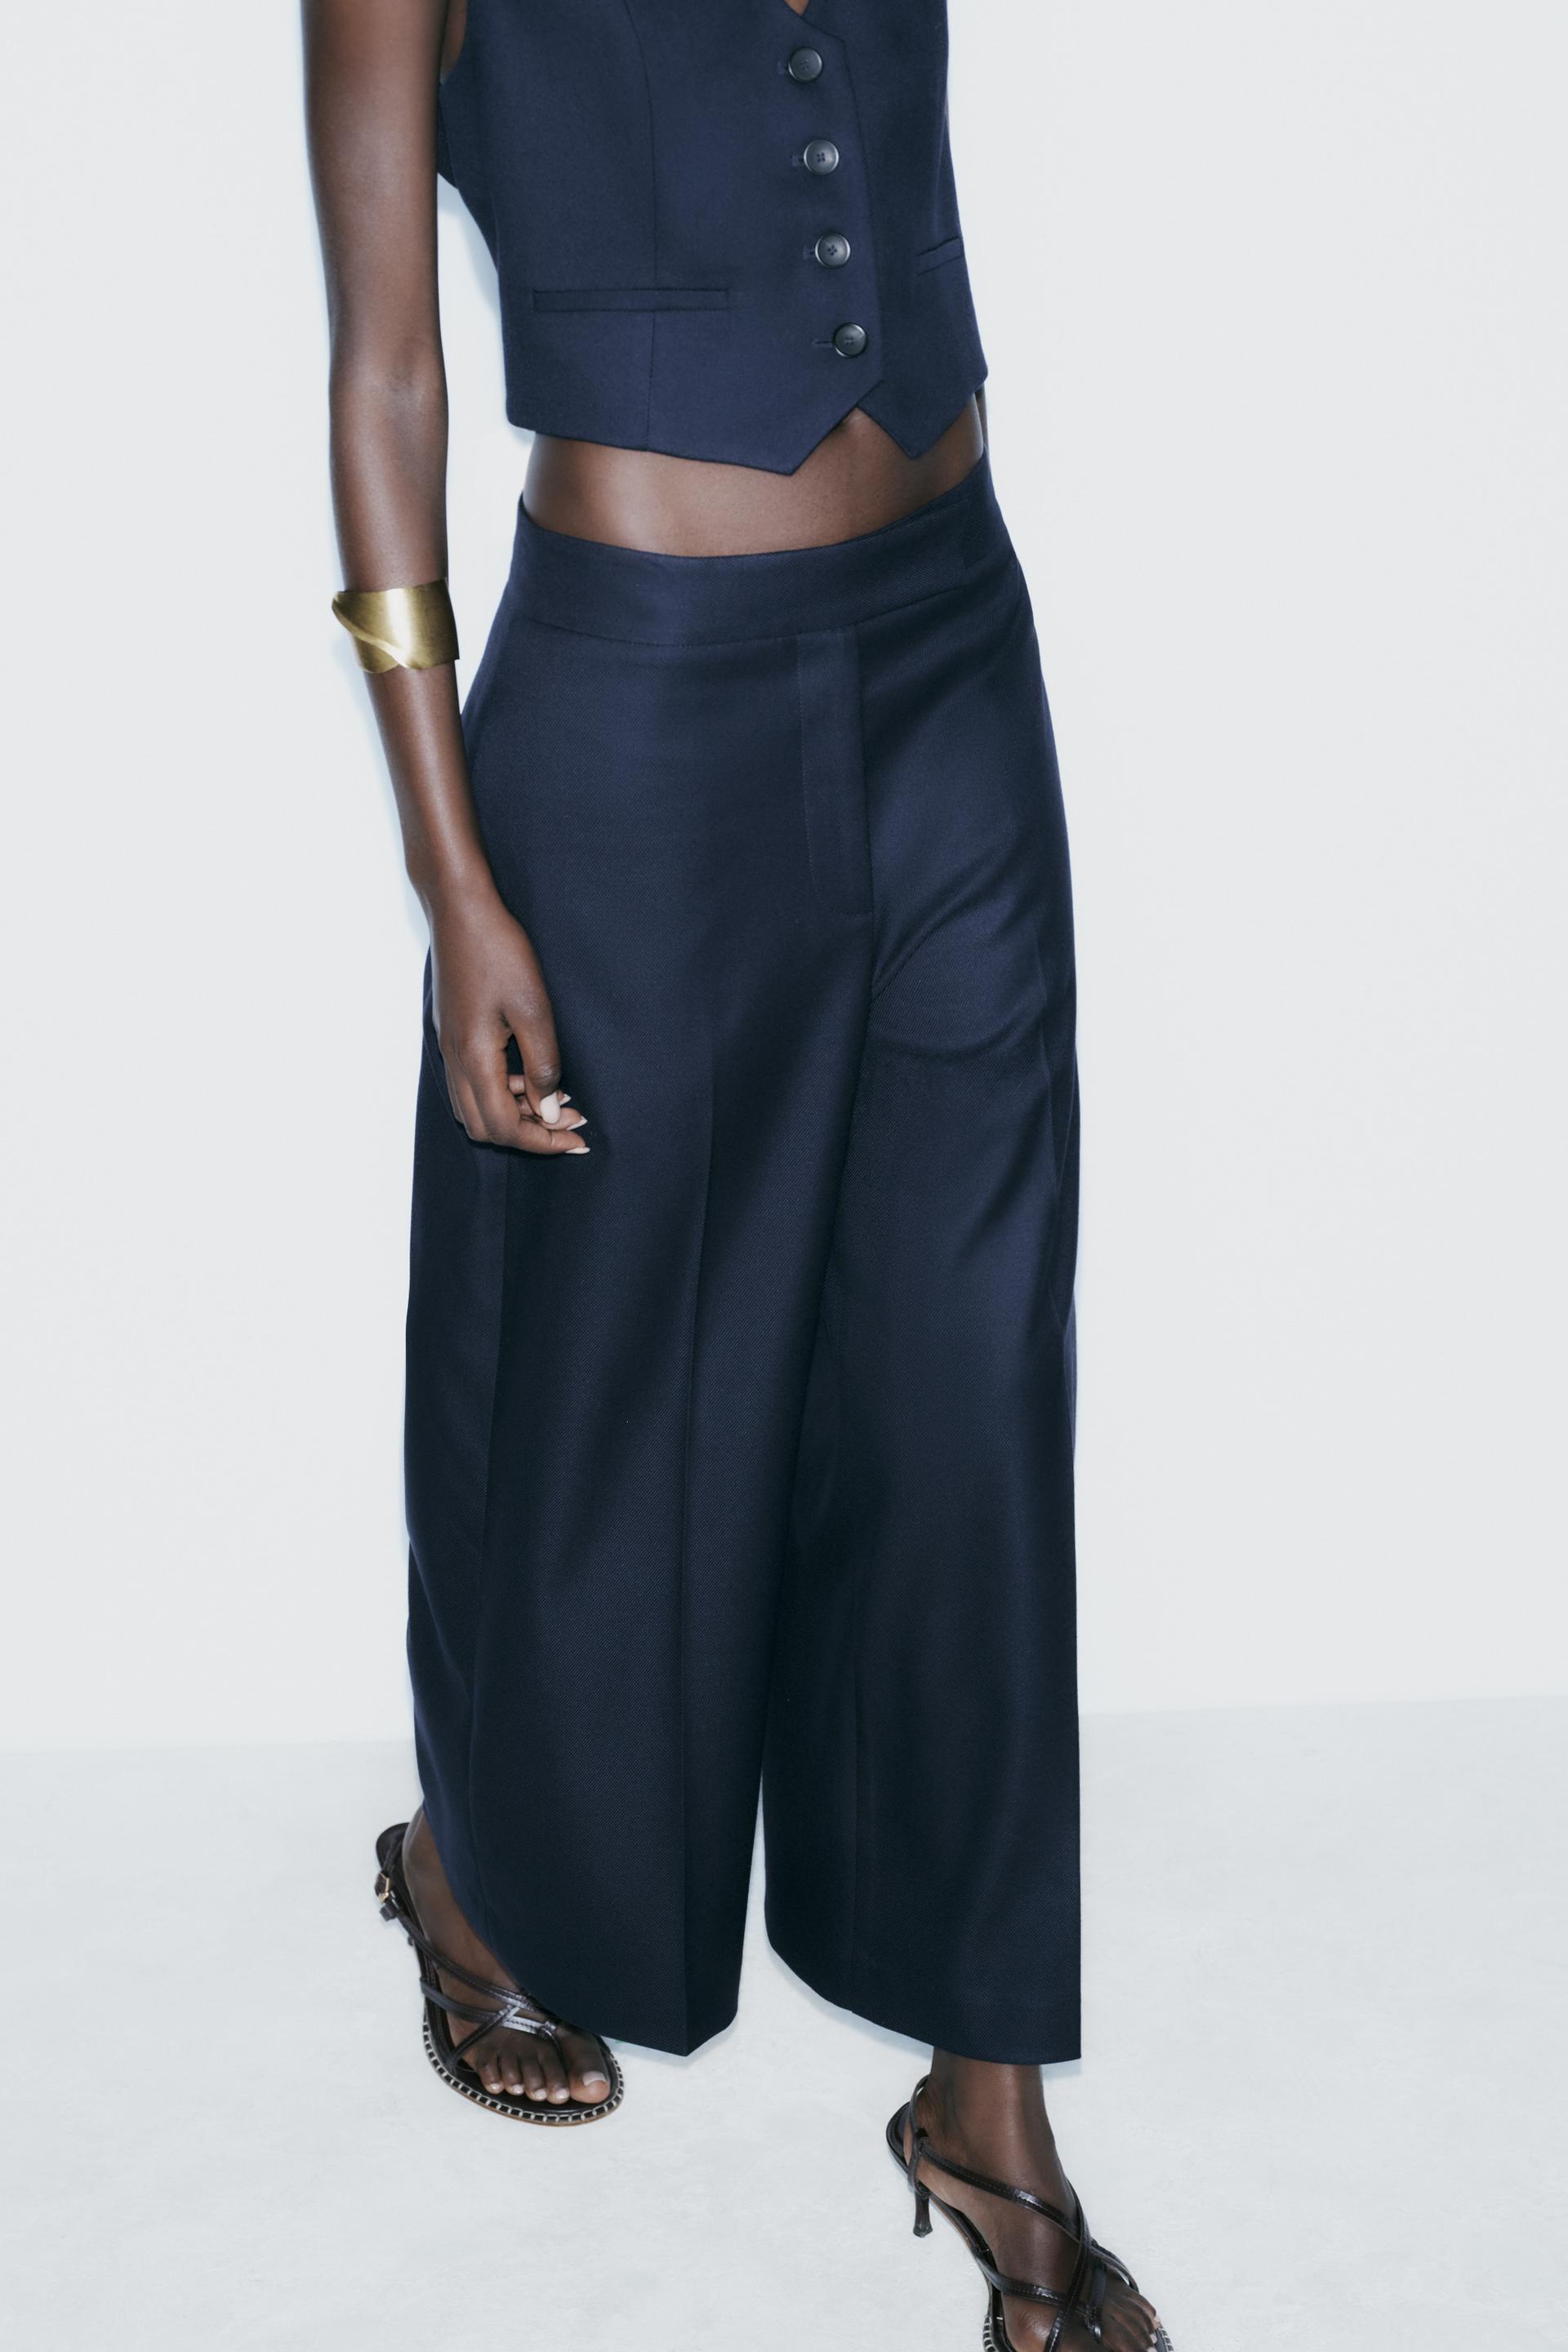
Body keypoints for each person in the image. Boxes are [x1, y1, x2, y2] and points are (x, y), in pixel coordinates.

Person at [305, 3, 1168, 2345]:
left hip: (957, 654)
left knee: (970, 1384)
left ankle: (984, 2091)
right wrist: (451, 875)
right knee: (613, 1378)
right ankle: (475, 1866)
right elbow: (383, 375)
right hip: (644, 695)